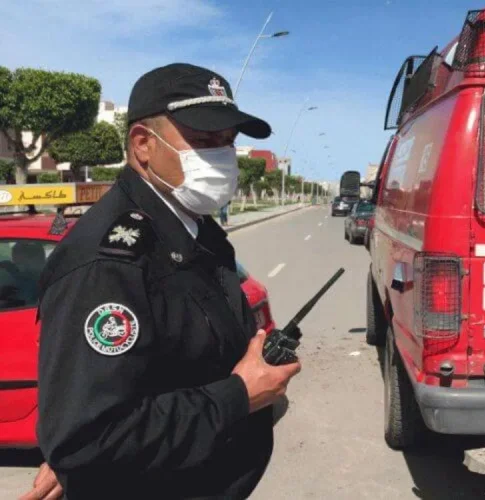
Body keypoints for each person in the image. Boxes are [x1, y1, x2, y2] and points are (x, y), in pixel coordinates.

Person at [21, 63, 301, 500]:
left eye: (228, 142)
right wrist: (238, 396)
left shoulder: (192, 230)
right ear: (143, 144)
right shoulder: (108, 265)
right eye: (204, 140)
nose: (222, 156)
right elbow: (87, 440)